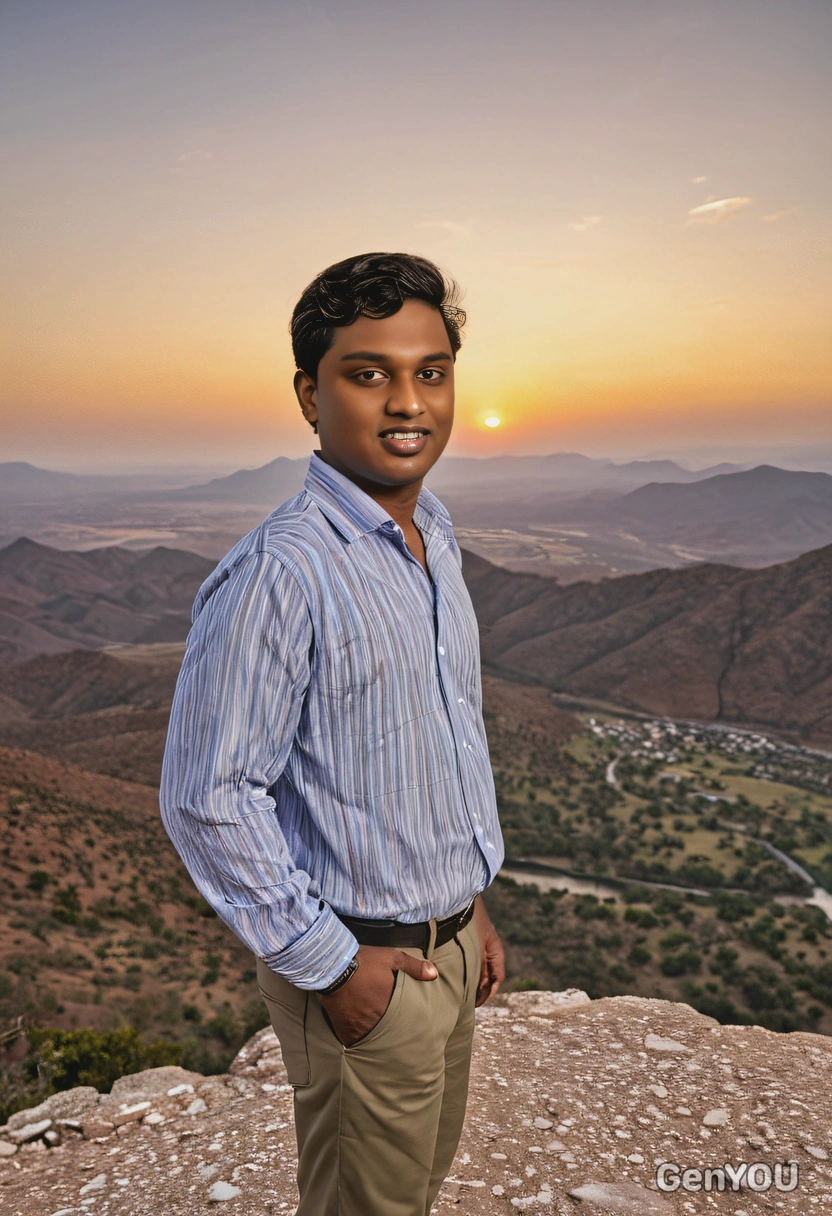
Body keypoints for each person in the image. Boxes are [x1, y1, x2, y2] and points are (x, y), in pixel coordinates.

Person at [160, 251, 506, 1216]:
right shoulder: (283, 571)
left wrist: (465, 904)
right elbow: (207, 794)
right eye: (369, 374)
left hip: (444, 953)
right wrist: (328, 965)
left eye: (430, 372)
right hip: (362, 972)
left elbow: (432, 749)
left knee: (414, 1191)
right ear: (311, 396)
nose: (409, 402)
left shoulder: (432, 538)